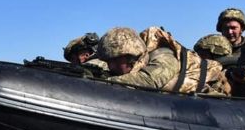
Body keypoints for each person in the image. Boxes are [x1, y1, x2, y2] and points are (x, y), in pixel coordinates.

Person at [98, 26, 230, 95]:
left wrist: (100, 83)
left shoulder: (164, 56)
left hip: (211, 96)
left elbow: (150, 80)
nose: (111, 66)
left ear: (132, 57)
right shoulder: (133, 63)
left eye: (115, 61)